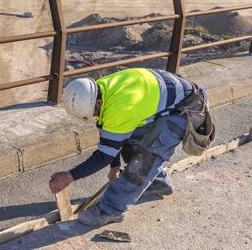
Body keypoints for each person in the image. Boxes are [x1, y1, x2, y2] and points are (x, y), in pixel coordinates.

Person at [49, 68, 213, 226]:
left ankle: (111, 209)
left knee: (145, 160)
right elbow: (109, 135)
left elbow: (104, 155)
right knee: (128, 141)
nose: (94, 116)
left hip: (185, 110)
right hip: (172, 103)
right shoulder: (101, 88)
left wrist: (70, 176)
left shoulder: (119, 107)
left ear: (97, 102)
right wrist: (115, 166)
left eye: (94, 112)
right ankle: (158, 183)